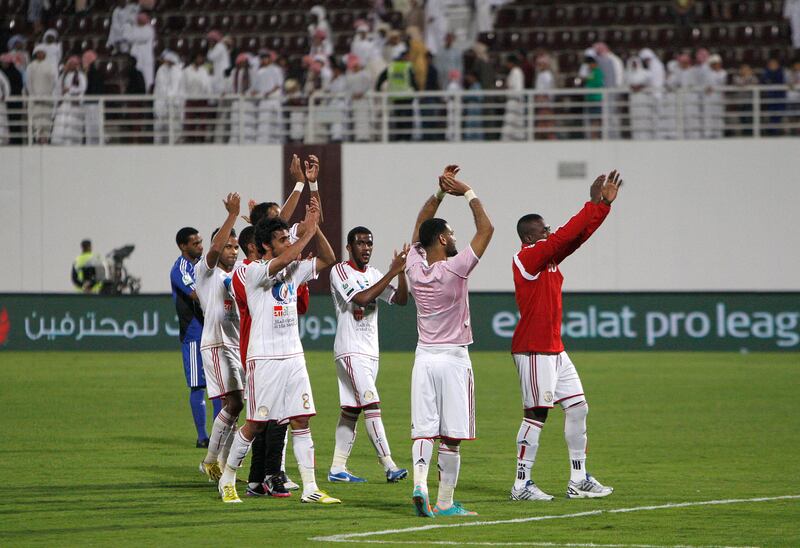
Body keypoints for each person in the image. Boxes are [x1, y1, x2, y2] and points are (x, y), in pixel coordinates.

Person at [217, 197, 341, 504]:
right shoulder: (249, 271)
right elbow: (284, 261)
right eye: (283, 239)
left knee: (301, 420)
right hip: (264, 358)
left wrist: (317, 227)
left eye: (289, 237)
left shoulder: (293, 269)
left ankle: (311, 488)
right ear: (264, 246)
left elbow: (328, 258)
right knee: (256, 422)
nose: (289, 241)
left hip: (293, 357)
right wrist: (307, 232)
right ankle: (228, 478)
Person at [509, 170, 622, 502]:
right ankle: (521, 484)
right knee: (536, 413)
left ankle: (578, 479)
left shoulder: (548, 256)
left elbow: (577, 236)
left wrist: (600, 205)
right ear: (533, 235)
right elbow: (566, 236)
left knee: (578, 408)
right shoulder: (528, 257)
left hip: (553, 349)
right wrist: (591, 203)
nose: (550, 231)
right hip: (533, 349)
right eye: (545, 228)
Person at [406, 165, 494, 517]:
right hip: (454, 358)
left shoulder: (414, 265)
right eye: (451, 232)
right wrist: (467, 191)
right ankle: (444, 502)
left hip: (424, 357)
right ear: (442, 239)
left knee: (424, 429)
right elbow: (487, 229)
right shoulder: (456, 267)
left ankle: (418, 483)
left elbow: (421, 221)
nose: (455, 236)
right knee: (452, 435)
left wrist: (440, 193)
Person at [234, 154, 315, 497]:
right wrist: (306, 220)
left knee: (277, 418)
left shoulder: (277, 265)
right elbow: (284, 242)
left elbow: (282, 229)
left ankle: (263, 477)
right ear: (259, 241)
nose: (284, 229)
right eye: (275, 228)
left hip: (281, 348)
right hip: (259, 349)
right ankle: (260, 474)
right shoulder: (247, 271)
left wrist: (303, 184)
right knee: (263, 421)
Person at [327, 227, 410, 483]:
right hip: (350, 349)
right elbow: (361, 299)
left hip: (370, 353)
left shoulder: (374, 274)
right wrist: (392, 272)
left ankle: (337, 468)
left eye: (369, 243)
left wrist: (402, 274)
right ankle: (389, 464)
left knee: (352, 410)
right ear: (349, 247)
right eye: (360, 243)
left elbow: (401, 300)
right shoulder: (340, 271)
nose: (366, 248)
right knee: (371, 404)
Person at [196, 194, 245, 482]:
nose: (232, 251)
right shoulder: (206, 272)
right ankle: (211, 461)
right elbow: (213, 251)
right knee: (234, 404)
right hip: (215, 343)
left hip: (237, 345)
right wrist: (232, 216)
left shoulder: (239, 272)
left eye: (236, 247)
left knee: (236, 409)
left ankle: (220, 464)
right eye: (228, 246)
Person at [171, 227, 222, 447]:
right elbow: (196, 294)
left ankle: (218, 436)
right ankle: (202, 436)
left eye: (201, 242)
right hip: (194, 334)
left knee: (220, 385)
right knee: (197, 385)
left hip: (213, 331)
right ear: (183, 246)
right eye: (195, 243)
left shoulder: (204, 266)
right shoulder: (181, 268)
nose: (200, 246)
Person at [375, 50, 418, 141]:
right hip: (407, 96)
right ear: (404, 57)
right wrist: (417, 91)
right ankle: (407, 138)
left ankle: (399, 137)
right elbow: (412, 81)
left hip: (396, 97)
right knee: (408, 119)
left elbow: (381, 77)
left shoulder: (391, 67)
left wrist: (377, 89)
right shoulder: (407, 66)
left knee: (398, 118)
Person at [51, 56, 87, 146]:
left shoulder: (80, 76)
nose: (72, 66)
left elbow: (82, 88)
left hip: (75, 105)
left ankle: (73, 142)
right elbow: (57, 89)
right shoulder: (63, 76)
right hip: (64, 104)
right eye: (70, 64)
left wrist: (69, 90)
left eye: (74, 64)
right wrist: (61, 93)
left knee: (73, 126)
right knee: (61, 126)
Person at [26, 45, 58, 144]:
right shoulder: (31, 66)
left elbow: (54, 81)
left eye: (42, 52)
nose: (40, 54)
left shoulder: (51, 66)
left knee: (46, 120)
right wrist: (33, 96)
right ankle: (37, 139)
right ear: (36, 54)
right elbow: (28, 82)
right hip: (35, 99)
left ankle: (46, 140)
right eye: (38, 52)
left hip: (47, 98)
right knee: (36, 121)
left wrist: (47, 95)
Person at [254, 50, 284, 144]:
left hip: (274, 100)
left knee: (276, 122)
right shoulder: (259, 71)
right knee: (263, 123)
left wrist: (269, 92)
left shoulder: (276, 69)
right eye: (262, 58)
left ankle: (277, 141)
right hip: (263, 101)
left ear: (270, 59)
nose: (263, 60)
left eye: (265, 58)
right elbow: (257, 88)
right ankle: (263, 142)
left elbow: (278, 84)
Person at [153, 50, 184, 144]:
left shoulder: (177, 71)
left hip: (174, 107)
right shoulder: (161, 70)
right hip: (161, 106)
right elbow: (162, 88)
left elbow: (175, 90)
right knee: (159, 132)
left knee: (174, 133)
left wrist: (171, 102)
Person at [182, 52, 212, 143]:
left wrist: (209, 96)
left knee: (203, 122)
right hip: (191, 100)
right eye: (199, 58)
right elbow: (183, 87)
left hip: (202, 100)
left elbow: (207, 85)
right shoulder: (186, 71)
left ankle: (201, 139)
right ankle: (190, 140)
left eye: (202, 58)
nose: (201, 60)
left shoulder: (204, 70)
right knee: (190, 122)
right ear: (194, 59)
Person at [227, 52, 257, 144]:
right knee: (235, 123)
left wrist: (247, 93)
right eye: (240, 62)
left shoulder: (252, 72)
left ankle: (249, 141)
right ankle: (235, 141)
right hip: (236, 101)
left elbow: (254, 86)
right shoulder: (234, 72)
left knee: (248, 123)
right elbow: (230, 86)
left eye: (244, 61)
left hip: (248, 102)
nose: (242, 63)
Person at [124, 12, 155, 91]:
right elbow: (127, 37)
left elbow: (136, 37)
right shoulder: (135, 28)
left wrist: (132, 35)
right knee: (135, 82)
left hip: (146, 62)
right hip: (136, 60)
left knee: (147, 82)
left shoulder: (149, 30)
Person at [702, 54, 727, 138]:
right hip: (708, 99)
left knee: (718, 117)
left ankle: (719, 134)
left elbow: (721, 83)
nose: (716, 65)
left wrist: (713, 88)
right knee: (708, 116)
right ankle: (708, 134)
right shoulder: (707, 73)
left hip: (719, 99)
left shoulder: (723, 73)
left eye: (717, 63)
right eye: (713, 63)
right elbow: (704, 85)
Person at [502, 53, 526, 141]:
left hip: (515, 101)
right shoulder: (513, 72)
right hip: (512, 101)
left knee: (514, 124)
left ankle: (514, 140)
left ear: (511, 63)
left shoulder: (516, 72)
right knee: (510, 124)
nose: (506, 65)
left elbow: (518, 89)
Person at [83, 50, 105, 145]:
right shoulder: (96, 73)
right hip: (96, 103)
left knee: (91, 126)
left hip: (91, 103)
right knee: (95, 126)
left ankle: (92, 144)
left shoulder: (90, 73)